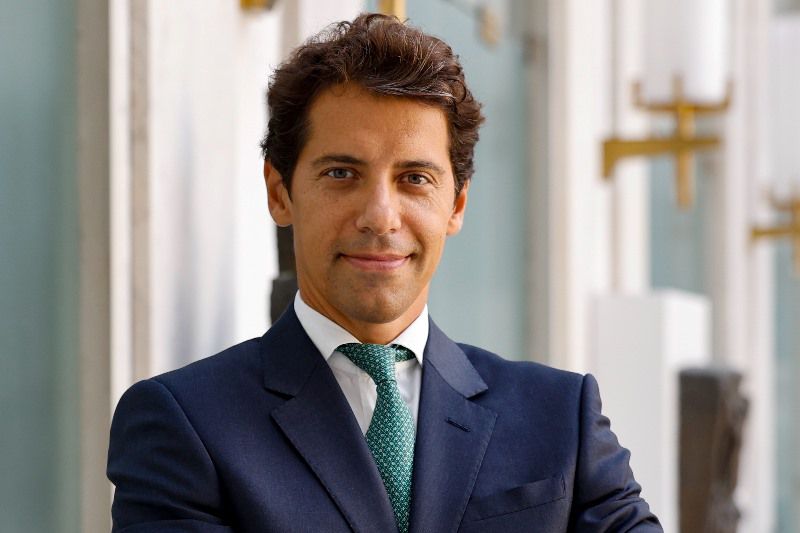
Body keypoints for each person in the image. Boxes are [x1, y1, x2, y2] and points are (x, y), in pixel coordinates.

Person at [107, 13, 662, 533]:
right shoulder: (184, 424)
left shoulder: (560, 417)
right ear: (280, 193)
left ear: (456, 204)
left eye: (414, 178)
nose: (380, 216)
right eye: (342, 173)